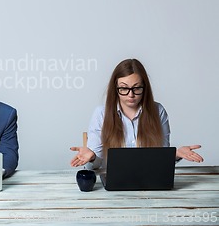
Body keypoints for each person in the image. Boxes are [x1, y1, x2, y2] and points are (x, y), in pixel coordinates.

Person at [70, 58, 203, 169]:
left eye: (137, 88)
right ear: (115, 88)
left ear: (144, 87)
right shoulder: (101, 114)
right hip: (114, 184)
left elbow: (160, 160)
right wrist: (92, 156)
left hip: (149, 183)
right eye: (124, 88)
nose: (131, 94)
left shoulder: (158, 111)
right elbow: (95, 166)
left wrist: (175, 155)